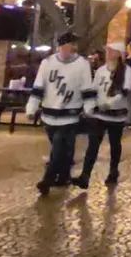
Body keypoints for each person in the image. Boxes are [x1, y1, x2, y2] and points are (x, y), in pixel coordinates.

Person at [25, 32, 96, 196]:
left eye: (71, 46)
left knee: (58, 148)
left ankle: (47, 180)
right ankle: (64, 176)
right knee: (63, 149)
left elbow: (87, 88)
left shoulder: (82, 64)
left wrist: (89, 107)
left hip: (70, 115)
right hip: (49, 114)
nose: (68, 49)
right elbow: (38, 87)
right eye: (65, 46)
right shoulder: (47, 63)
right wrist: (32, 107)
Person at [75, 41, 131, 188]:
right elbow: (94, 89)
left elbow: (125, 90)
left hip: (116, 114)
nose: (108, 53)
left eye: (111, 51)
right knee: (93, 145)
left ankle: (113, 171)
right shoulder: (101, 70)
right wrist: (90, 105)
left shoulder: (126, 70)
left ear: (118, 54)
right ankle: (85, 176)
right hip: (99, 114)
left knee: (115, 143)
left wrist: (111, 102)